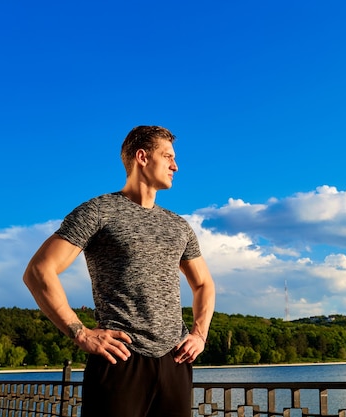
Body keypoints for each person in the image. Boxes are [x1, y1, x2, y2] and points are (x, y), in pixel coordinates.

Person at [23, 125, 216, 417]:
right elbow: (39, 271)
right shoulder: (99, 211)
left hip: (175, 360)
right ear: (142, 157)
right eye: (168, 157)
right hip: (120, 359)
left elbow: (203, 284)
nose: (175, 166)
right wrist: (81, 333)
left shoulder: (179, 226)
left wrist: (199, 335)